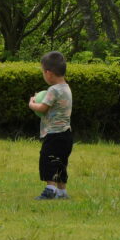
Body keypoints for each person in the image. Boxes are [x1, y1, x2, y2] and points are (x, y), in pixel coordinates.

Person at [28, 50, 73, 200]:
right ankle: (62, 191)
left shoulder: (53, 90)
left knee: (47, 160)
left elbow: (43, 108)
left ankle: (50, 189)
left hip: (54, 133)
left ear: (48, 73)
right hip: (66, 134)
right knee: (60, 162)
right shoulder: (66, 87)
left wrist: (32, 103)